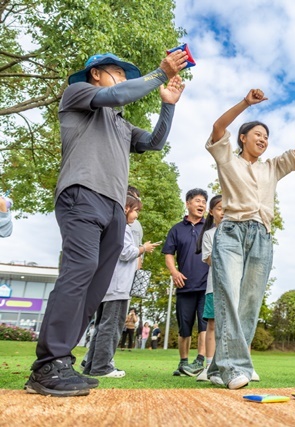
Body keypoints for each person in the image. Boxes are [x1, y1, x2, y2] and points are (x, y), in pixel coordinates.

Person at [25, 51, 186, 397]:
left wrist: (168, 105)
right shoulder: (78, 94)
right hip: (82, 194)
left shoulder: (121, 124)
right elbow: (117, 94)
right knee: (79, 270)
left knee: (95, 286)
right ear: (96, 73)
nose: (124, 79)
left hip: (114, 206)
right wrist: (160, 73)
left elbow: (154, 142)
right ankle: (47, 364)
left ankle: (62, 361)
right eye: (118, 72)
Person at [206, 88, 295, 390]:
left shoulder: (272, 167)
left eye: (266, 137)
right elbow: (218, 127)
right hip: (232, 232)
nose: (263, 139)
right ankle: (235, 366)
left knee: (250, 303)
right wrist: (246, 103)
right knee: (229, 296)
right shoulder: (227, 159)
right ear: (243, 138)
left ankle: (218, 367)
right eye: (257, 134)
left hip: (261, 236)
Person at [83, 195, 158, 378]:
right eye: (136, 210)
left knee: (101, 327)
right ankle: (102, 367)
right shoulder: (122, 227)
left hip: (107, 285)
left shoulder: (109, 224)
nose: (137, 215)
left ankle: (92, 365)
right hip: (118, 286)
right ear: (126, 208)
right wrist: (143, 249)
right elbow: (125, 252)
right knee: (111, 327)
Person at [162, 188, 210, 377]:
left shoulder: (210, 227)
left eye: (204, 202)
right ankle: (183, 364)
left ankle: (199, 361)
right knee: (184, 327)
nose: (201, 205)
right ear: (188, 203)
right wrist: (174, 272)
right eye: (198, 201)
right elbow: (168, 253)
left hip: (207, 285)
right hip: (184, 286)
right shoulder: (176, 229)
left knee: (205, 324)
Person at [193, 194, 223, 382]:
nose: (224, 212)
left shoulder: (238, 233)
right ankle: (210, 366)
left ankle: (237, 365)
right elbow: (210, 259)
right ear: (211, 212)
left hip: (234, 288)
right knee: (212, 325)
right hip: (214, 286)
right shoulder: (209, 235)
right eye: (220, 208)